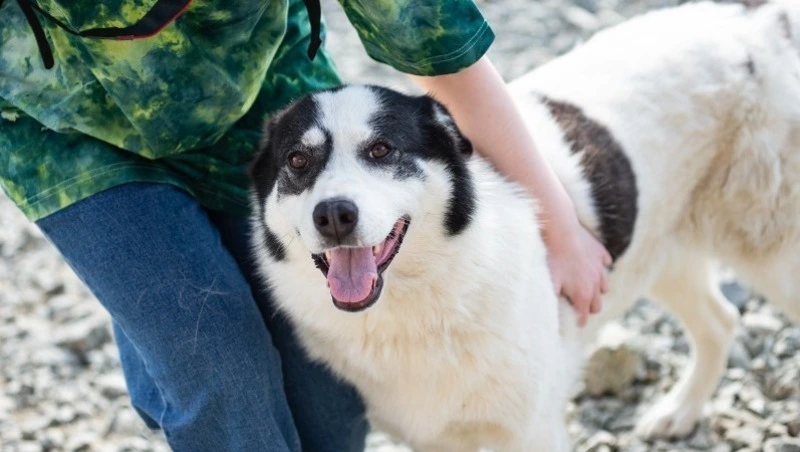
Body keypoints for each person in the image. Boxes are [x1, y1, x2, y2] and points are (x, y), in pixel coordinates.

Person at [0, 0, 611, 450]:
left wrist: (560, 228)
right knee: (212, 361)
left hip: (267, 98)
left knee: (328, 408)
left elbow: (440, 51)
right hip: (68, 138)